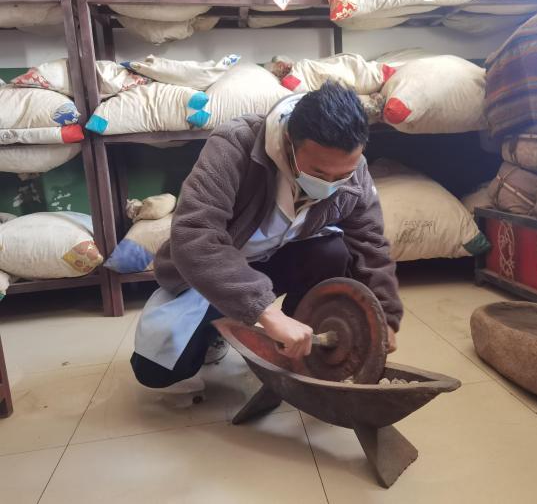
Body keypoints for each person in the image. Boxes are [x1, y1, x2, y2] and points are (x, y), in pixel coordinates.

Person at [130, 81, 403, 392]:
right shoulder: (235, 144)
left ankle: (300, 344)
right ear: (289, 141)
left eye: (342, 176)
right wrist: (265, 312)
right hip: (218, 266)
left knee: (332, 252)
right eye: (319, 173)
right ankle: (219, 327)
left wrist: (385, 316)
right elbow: (194, 236)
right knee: (155, 372)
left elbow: (370, 244)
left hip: (278, 258)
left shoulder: (355, 170)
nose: (331, 183)